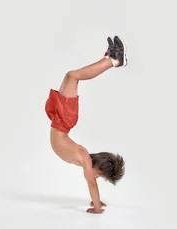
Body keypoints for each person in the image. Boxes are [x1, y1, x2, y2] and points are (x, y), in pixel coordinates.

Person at [45, 36, 127, 214]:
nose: (96, 178)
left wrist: (96, 202)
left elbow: (92, 184)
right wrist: (97, 208)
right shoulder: (86, 159)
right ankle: (115, 60)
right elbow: (92, 184)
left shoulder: (84, 158)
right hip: (64, 120)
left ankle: (109, 58)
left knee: (71, 76)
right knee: (73, 76)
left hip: (61, 121)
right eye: (101, 176)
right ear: (100, 169)